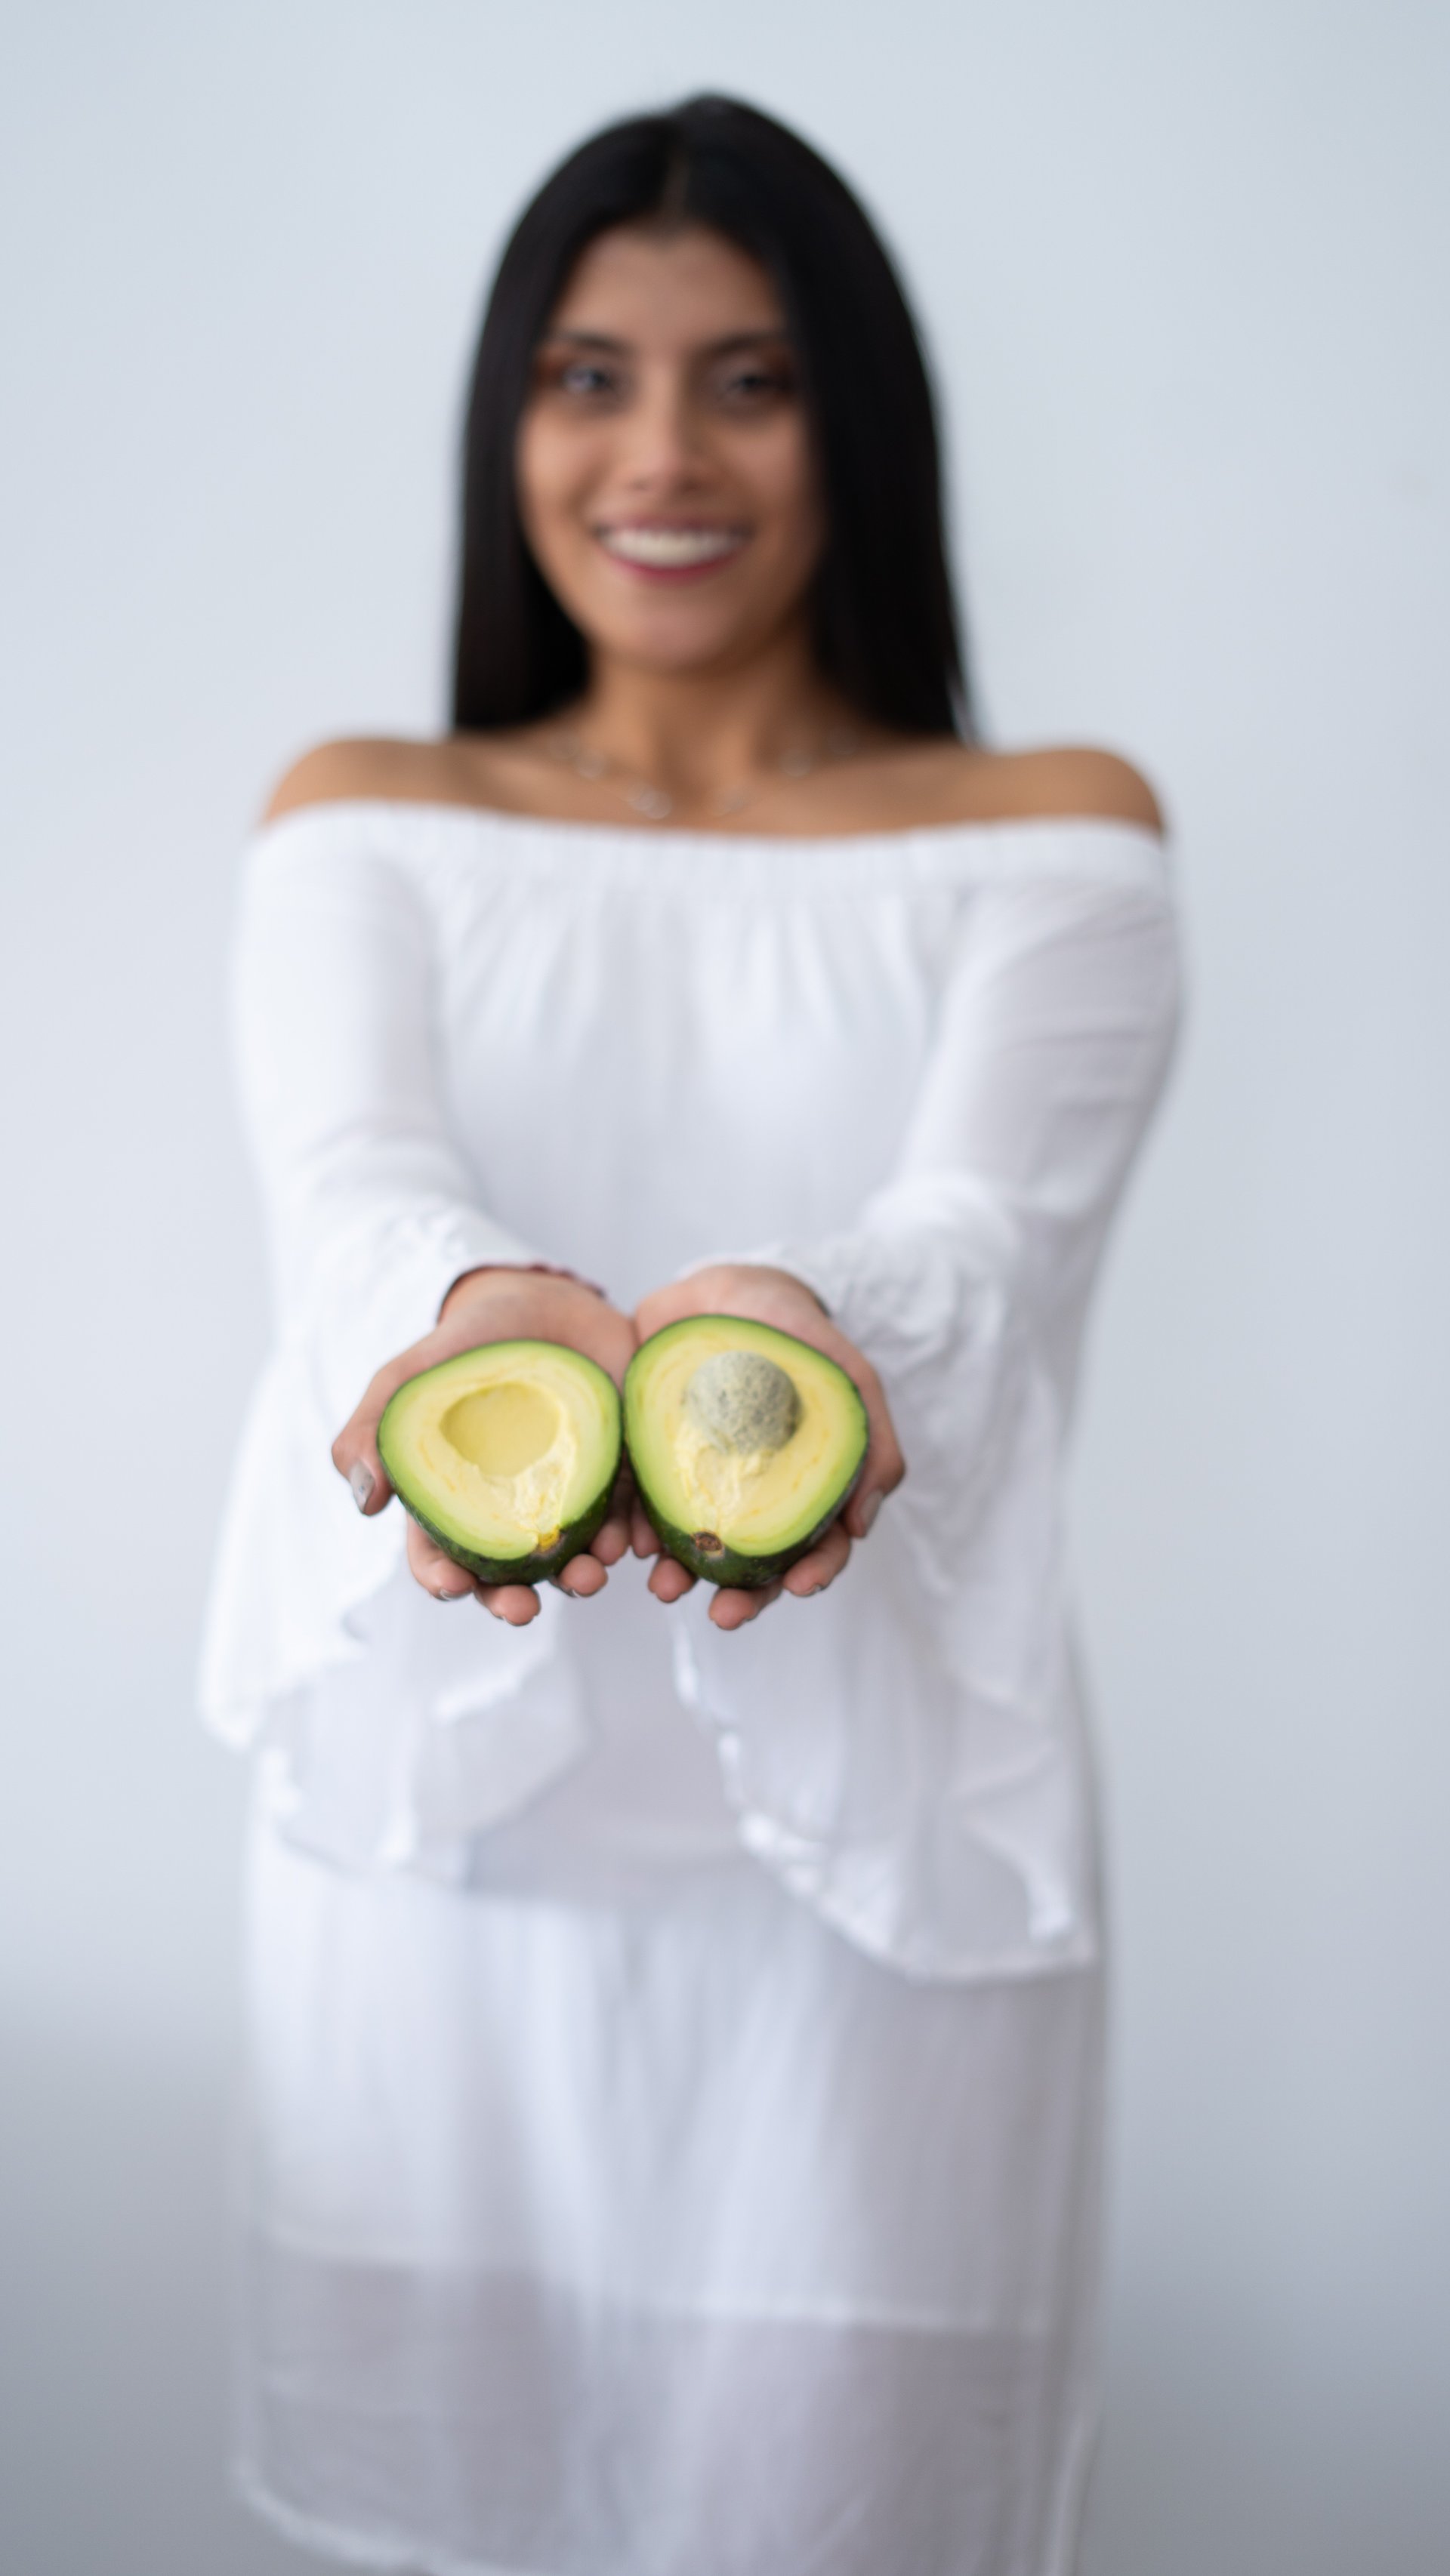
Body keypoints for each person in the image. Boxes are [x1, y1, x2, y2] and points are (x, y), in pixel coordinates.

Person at [201, 93, 1179, 2576]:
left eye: (751, 378)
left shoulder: (1059, 830)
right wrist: (468, 1320)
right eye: (584, 373)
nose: (661, 452)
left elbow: (977, 1238)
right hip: (450, 1882)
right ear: (504, 424)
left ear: (863, 414)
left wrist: (796, 1321)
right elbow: (355, 1197)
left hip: (877, 1912)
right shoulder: (360, 814)